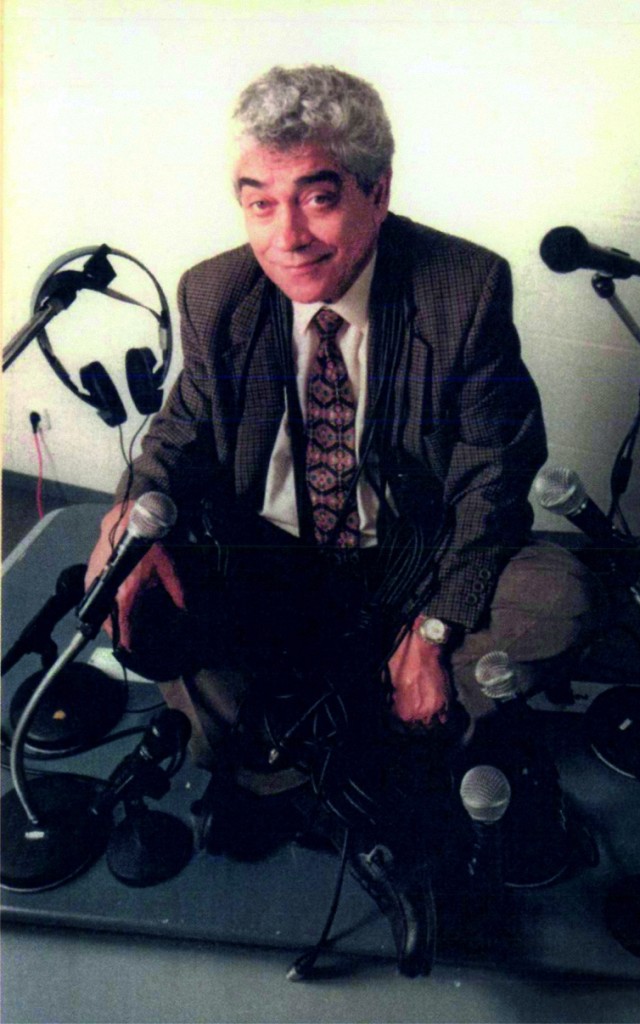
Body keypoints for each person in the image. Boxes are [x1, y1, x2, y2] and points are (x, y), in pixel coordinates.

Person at [86, 65, 600, 976]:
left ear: (376, 192)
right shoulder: (215, 293)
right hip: (274, 563)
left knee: (556, 598)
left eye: (317, 200)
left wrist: (435, 629)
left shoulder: (464, 287)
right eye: (259, 203)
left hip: (414, 559)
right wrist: (128, 518)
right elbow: (178, 431)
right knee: (137, 599)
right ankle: (304, 763)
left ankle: (338, 754)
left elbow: (492, 477)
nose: (285, 237)